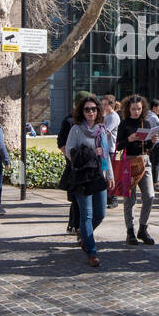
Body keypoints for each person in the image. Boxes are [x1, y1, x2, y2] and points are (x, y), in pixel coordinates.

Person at [64, 96, 116, 266]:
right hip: (82, 177)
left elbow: (106, 154)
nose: (91, 112)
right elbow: (69, 152)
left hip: (98, 176)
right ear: (82, 112)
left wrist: (110, 175)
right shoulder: (77, 130)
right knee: (86, 214)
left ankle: (84, 234)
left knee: (100, 213)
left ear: (99, 111)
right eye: (87, 109)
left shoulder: (102, 130)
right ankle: (92, 252)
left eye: (93, 109)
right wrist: (92, 152)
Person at [116, 94, 159, 246]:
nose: (136, 112)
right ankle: (130, 231)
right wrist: (129, 139)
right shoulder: (124, 124)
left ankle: (143, 228)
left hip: (143, 160)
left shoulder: (146, 123)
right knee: (130, 199)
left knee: (150, 196)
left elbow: (148, 148)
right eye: (133, 109)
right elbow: (117, 146)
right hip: (128, 161)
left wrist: (152, 142)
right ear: (128, 109)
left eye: (139, 109)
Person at [57, 93, 92, 235]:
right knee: (77, 199)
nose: (90, 110)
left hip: (90, 167)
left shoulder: (90, 121)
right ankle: (75, 226)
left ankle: (77, 226)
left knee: (83, 200)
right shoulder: (69, 121)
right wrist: (73, 160)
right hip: (75, 167)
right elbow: (62, 143)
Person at [101, 95, 121, 205]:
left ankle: (113, 198)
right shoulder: (106, 116)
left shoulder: (113, 117)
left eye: (105, 104)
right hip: (104, 149)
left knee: (111, 174)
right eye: (102, 104)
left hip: (109, 149)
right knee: (105, 174)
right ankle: (107, 196)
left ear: (111, 105)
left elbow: (105, 132)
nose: (103, 106)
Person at [147, 98, 159, 190]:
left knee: (152, 163)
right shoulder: (154, 117)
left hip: (149, 142)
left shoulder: (147, 115)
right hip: (157, 142)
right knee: (156, 164)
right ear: (153, 107)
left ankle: (152, 182)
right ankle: (155, 183)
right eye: (158, 107)